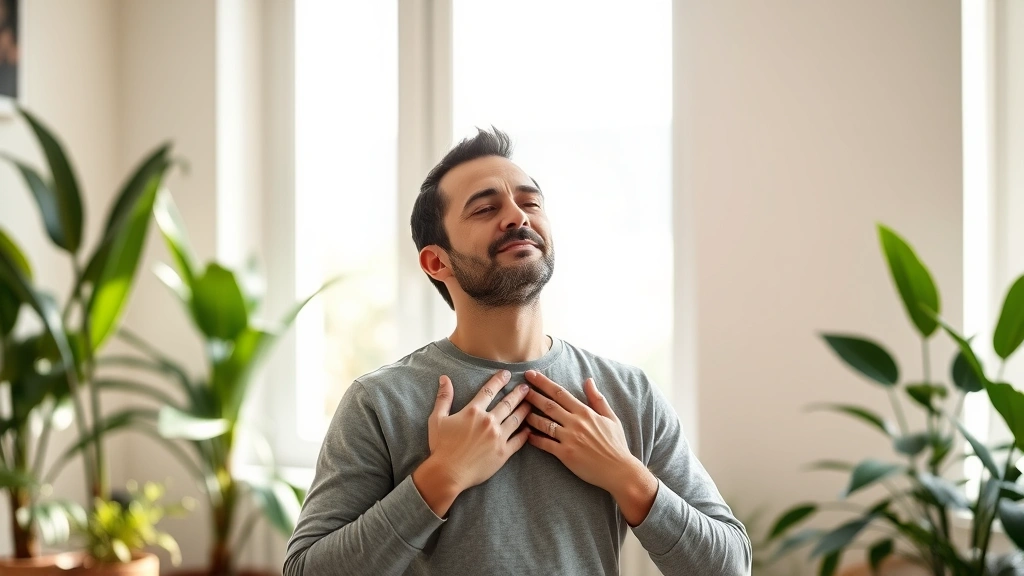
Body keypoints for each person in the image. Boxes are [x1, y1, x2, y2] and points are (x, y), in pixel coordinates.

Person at [284, 129, 751, 576]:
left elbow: (730, 566)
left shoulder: (628, 393)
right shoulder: (379, 402)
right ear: (436, 261)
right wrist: (441, 477)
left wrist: (625, 475)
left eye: (530, 202)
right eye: (486, 208)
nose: (517, 216)